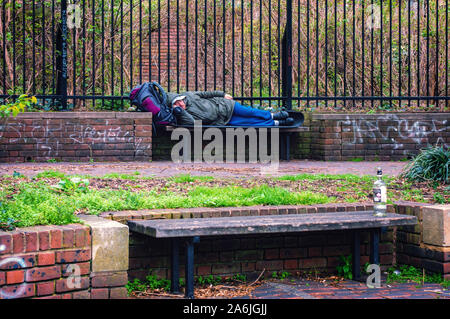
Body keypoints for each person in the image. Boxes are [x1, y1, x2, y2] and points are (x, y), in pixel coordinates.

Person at [166, 90, 294, 127]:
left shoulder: (190, 96)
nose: (180, 105)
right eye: (176, 105)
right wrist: (181, 112)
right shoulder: (183, 115)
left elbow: (207, 94)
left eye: (179, 102)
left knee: (250, 112)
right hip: (222, 120)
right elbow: (193, 124)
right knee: (250, 123)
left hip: (225, 106)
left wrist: (222, 94)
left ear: (181, 98)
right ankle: (276, 123)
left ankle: (272, 115)